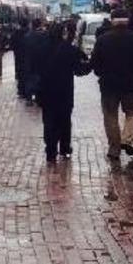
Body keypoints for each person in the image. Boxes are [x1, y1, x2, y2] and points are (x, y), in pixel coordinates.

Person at [90, 9, 133, 160]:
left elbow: (95, 63)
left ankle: (114, 148)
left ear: (112, 21)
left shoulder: (103, 39)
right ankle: (127, 139)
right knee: (132, 112)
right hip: (131, 85)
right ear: (127, 21)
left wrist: (101, 74)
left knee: (110, 116)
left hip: (108, 85)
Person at [36, 23, 91, 163]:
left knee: (48, 121)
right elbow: (79, 71)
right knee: (65, 120)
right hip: (64, 92)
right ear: (62, 33)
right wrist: (91, 65)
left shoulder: (41, 48)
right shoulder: (69, 49)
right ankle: (65, 148)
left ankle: (50, 151)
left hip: (46, 91)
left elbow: (34, 69)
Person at [23, 19, 47, 105]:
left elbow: (24, 51)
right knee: (39, 80)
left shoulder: (27, 36)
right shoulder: (43, 36)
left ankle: (29, 99)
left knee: (29, 80)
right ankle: (38, 98)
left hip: (29, 62)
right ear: (39, 25)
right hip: (40, 62)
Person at [12, 20, 29, 98]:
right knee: (28, 74)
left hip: (18, 57)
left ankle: (21, 91)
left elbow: (12, 44)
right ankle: (27, 91)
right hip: (28, 57)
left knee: (20, 73)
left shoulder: (16, 33)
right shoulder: (30, 32)